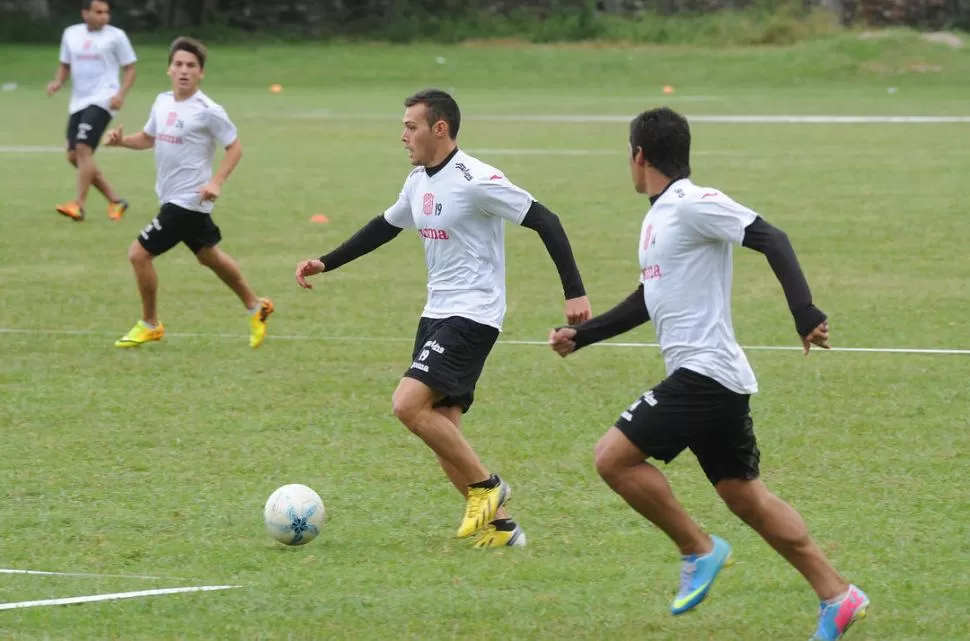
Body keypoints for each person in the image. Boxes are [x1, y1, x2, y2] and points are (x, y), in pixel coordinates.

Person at [548, 107, 869, 640]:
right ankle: (838, 595)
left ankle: (699, 548)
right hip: (712, 378)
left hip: (706, 375)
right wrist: (584, 335)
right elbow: (648, 300)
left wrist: (804, 312)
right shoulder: (657, 219)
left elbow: (771, 237)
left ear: (639, 155)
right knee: (748, 499)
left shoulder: (692, 203)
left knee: (613, 458)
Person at [295, 89, 592, 547]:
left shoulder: (477, 179)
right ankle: (502, 531)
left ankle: (489, 488)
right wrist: (326, 262)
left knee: (407, 405)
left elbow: (546, 220)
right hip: (435, 313)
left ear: (439, 128)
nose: (402, 136)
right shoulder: (418, 181)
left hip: (473, 314)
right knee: (443, 432)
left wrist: (574, 291)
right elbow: (386, 225)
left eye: (410, 126)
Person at [105, 37, 273, 349]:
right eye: (178, 64)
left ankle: (150, 323)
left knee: (138, 254)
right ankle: (256, 306)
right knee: (209, 256)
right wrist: (120, 141)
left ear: (201, 73)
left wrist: (216, 182)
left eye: (191, 66)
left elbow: (235, 147)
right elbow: (147, 137)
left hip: (188, 200)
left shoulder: (208, 110)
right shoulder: (162, 101)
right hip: (172, 198)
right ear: (169, 69)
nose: (184, 70)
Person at [48, 0, 136, 222]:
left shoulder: (116, 36)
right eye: (98, 12)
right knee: (72, 156)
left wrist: (120, 95)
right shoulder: (71, 34)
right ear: (85, 13)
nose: (104, 16)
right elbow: (65, 64)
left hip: (104, 99)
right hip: (78, 101)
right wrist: (58, 81)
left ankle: (78, 205)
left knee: (83, 148)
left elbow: (130, 68)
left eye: (106, 12)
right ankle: (115, 200)